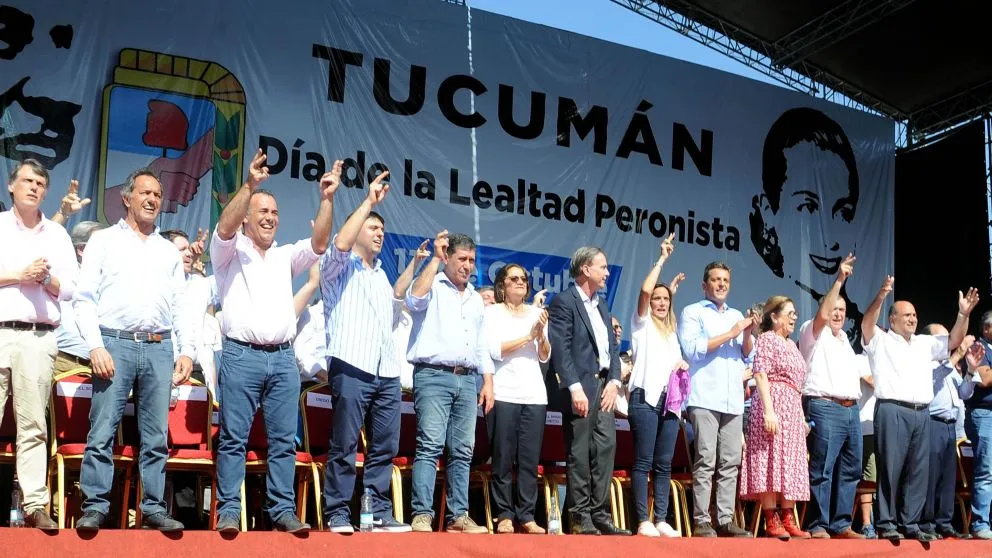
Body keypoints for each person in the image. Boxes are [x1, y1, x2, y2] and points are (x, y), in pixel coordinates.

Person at [210, 149, 335, 534]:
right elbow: (224, 227)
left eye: (275, 213)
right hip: (241, 356)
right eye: (262, 211)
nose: (270, 218)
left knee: (283, 440)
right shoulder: (228, 252)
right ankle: (229, 511)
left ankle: (282, 510)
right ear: (247, 217)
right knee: (233, 438)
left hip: (282, 359)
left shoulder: (285, 256)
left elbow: (319, 243)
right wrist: (250, 185)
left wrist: (327, 199)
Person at [74, 167, 193, 532]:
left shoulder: (167, 251)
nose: (152, 199)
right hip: (114, 344)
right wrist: (95, 346)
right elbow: (83, 298)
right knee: (102, 432)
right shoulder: (104, 241)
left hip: (159, 347)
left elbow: (181, 305)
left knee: (156, 437)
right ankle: (96, 507)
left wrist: (186, 350)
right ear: (127, 198)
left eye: (157, 195)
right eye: (145, 193)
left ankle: (153, 509)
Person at [320, 171, 413, 533]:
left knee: (385, 446)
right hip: (352, 364)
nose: (379, 233)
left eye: (382, 230)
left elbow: (391, 317)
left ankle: (376, 511)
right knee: (344, 443)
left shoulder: (380, 275)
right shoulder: (338, 268)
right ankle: (338, 511)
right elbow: (339, 245)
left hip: (386, 371)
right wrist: (368, 202)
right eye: (373, 227)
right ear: (357, 228)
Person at [860, 275, 978, 541]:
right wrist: (881, 295)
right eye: (907, 315)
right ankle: (887, 522)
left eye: (914, 315)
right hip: (892, 409)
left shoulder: (924, 343)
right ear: (892, 319)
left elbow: (954, 340)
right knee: (891, 469)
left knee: (918, 470)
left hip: (922, 411)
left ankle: (910, 523)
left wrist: (963, 315)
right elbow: (867, 323)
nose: (913, 319)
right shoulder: (881, 339)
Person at [0, 159, 78, 530]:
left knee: (33, 425)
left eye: (41, 183)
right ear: (11, 186)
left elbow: (72, 288)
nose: (34, 187)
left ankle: (34, 505)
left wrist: (46, 280)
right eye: (28, 181)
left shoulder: (57, 236)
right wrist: (20, 275)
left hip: (38, 336)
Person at [748, 107, 864, 346]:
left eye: (843, 213)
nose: (829, 239)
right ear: (769, 213)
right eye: (808, 207)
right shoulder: (779, 333)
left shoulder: (860, 332)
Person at [406, 231, 494, 534]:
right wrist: (434, 260)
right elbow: (414, 299)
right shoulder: (433, 284)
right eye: (462, 259)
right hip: (433, 375)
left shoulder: (475, 298)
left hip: (467, 379)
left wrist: (487, 381)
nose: (467, 265)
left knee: (463, 450)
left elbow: (481, 343)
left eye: (472, 260)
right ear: (448, 258)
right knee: (430, 446)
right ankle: (422, 514)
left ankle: (459, 515)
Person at [548, 246, 629, 536]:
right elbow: (561, 349)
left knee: (605, 449)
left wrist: (615, 382)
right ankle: (580, 515)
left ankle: (600, 514)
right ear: (585, 269)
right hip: (581, 388)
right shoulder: (564, 302)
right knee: (579, 452)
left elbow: (613, 349)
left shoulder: (602, 305)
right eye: (602, 267)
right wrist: (574, 388)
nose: (607, 272)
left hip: (605, 388)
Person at [678, 262, 756, 537]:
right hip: (704, 397)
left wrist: (747, 333)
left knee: (730, 462)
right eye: (716, 280)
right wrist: (731, 333)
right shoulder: (693, 312)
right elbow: (693, 349)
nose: (722, 284)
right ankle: (701, 520)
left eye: (725, 280)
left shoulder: (736, 314)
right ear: (704, 285)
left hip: (733, 399)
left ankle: (724, 519)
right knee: (706, 459)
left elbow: (747, 354)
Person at [798, 254, 864, 539]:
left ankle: (841, 523)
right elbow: (823, 316)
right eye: (834, 308)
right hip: (825, 407)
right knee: (822, 468)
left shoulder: (844, 340)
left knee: (850, 469)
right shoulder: (812, 332)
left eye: (842, 310)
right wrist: (839, 280)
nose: (838, 314)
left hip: (851, 410)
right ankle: (818, 524)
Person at [627, 234, 687, 538]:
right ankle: (643, 520)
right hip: (645, 399)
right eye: (657, 299)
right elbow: (645, 289)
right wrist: (662, 258)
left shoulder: (672, 332)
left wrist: (681, 366)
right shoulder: (641, 323)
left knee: (664, 464)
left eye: (666, 300)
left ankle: (661, 518)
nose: (661, 303)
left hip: (670, 402)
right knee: (644, 461)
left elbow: (673, 363)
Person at [484, 263, 551, 534]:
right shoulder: (492, 313)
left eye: (524, 278)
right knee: (502, 457)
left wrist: (541, 338)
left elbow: (544, 355)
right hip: (503, 391)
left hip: (534, 394)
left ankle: (527, 515)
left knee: (529, 458)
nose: (521, 282)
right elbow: (494, 350)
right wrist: (528, 336)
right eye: (514, 278)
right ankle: (504, 514)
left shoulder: (537, 314)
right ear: (502, 285)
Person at [739, 296, 810, 539]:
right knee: (768, 459)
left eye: (795, 313)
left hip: (792, 408)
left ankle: (788, 518)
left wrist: (800, 416)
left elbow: (797, 385)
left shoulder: (792, 345)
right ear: (774, 317)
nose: (794, 317)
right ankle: (771, 518)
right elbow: (760, 374)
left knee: (790, 462)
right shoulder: (767, 339)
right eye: (790, 313)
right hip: (772, 403)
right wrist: (769, 411)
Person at [920, 325, 973, 539]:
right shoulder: (926, 363)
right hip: (932, 423)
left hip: (951, 426)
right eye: (941, 337)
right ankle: (927, 522)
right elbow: (935, 379)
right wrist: (957, 355)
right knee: (931, 475)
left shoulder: (949, 366)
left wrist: (970, 371)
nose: (947, 341)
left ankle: (945, 522)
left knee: (948, 477)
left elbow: (964, 393)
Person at [54, 221, 105, 375]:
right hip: (66, 362)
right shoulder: (64, 275)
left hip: (104, 364)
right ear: (81, 250)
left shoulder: (110, 279)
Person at [965, 311, 992, 539]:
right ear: (986, 329)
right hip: (984, 414)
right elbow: (984, 378)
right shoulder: (978, 348)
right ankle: (980, 523)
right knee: (986, 471)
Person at [855, 354, 877, 538]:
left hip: (888, 428)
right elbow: (872, 381)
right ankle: (866, 523)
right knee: (869, 476)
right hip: (866, 427)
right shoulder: (861, 359)